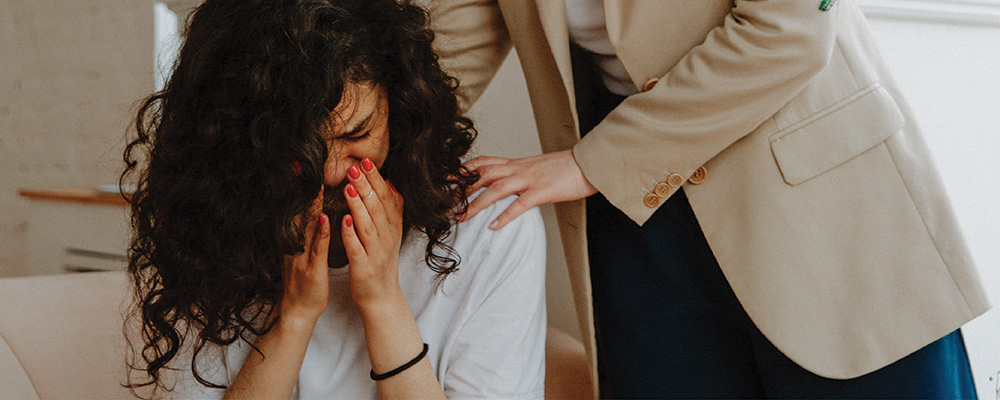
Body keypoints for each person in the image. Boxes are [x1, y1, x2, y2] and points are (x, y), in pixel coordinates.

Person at [428, 0, 991, 398]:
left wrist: (586, 165)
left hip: (809, 197)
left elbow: (786, 30)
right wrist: (361, 140)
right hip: (635, 216)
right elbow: (444, 51)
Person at [121, 0, 547, 398]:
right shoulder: (214, 226)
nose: (330, 174)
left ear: (399, 104)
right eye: (296, 149)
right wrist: (294, 315)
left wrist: (382, 302)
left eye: (358, 134)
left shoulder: (488, 225)